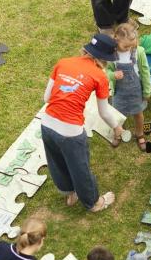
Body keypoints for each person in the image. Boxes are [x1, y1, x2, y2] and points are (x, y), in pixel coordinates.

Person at [41, 34, 123, 212]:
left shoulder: (63, 62)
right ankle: (94, 202)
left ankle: (70, 193)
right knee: (80, 167)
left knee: (57, 161)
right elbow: (104, 111)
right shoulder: (100, 76)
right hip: (70, 131)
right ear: (105, 59)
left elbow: (46, 97)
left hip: (46, 124)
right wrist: (117, 127)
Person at [105, 21, 151, 152]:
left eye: (131, 46)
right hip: (119, 91)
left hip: (136, 91)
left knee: (138, 113)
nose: (128, 49)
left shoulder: (139, 52)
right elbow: (106, 72)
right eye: (125, 46)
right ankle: (118, 132)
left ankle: (140, 133)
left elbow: (145, 72)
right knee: (118, 114)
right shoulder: (112, 55)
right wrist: (113, 75)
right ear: (116, 40)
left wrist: (147, 91)